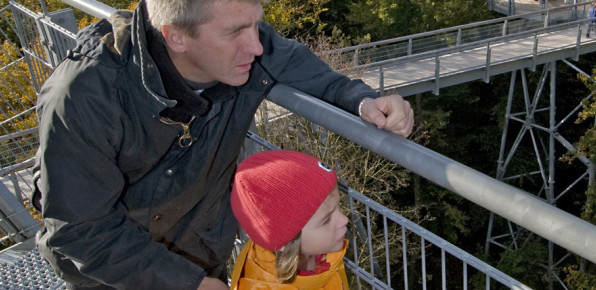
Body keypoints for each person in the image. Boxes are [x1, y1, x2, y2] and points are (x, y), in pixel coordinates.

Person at [31, 0, 414, 288]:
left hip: (200, 252)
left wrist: (367, 103)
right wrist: (187, 284)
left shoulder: (241, 49)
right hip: (114, 275)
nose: (257, 46)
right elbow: (78, 227)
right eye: (235, 32)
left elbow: (314, 75)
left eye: (256, 24)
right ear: (176, 36)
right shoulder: (85, 95)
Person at [229, 150, 349, 289]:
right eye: (326, 220)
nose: (344, 219)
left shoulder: (317, 255)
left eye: (338, 207)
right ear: (287, 242)